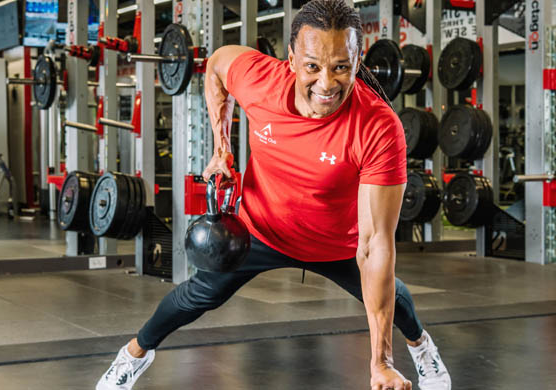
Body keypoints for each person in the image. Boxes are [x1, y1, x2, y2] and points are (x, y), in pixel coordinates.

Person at [96, 1, 451, 389]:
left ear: (357, 58)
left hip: (337, 243)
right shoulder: (261, 80)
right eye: (313, 66)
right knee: (196, 297)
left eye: (341, 67)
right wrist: (221, 147)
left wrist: (380, 361)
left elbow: (375, 243)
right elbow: (216, 64)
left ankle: (421, 348)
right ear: (291, 59)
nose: (327, 84)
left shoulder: (378, 127)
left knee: (395, 300)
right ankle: (133, 355)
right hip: (261, 228)